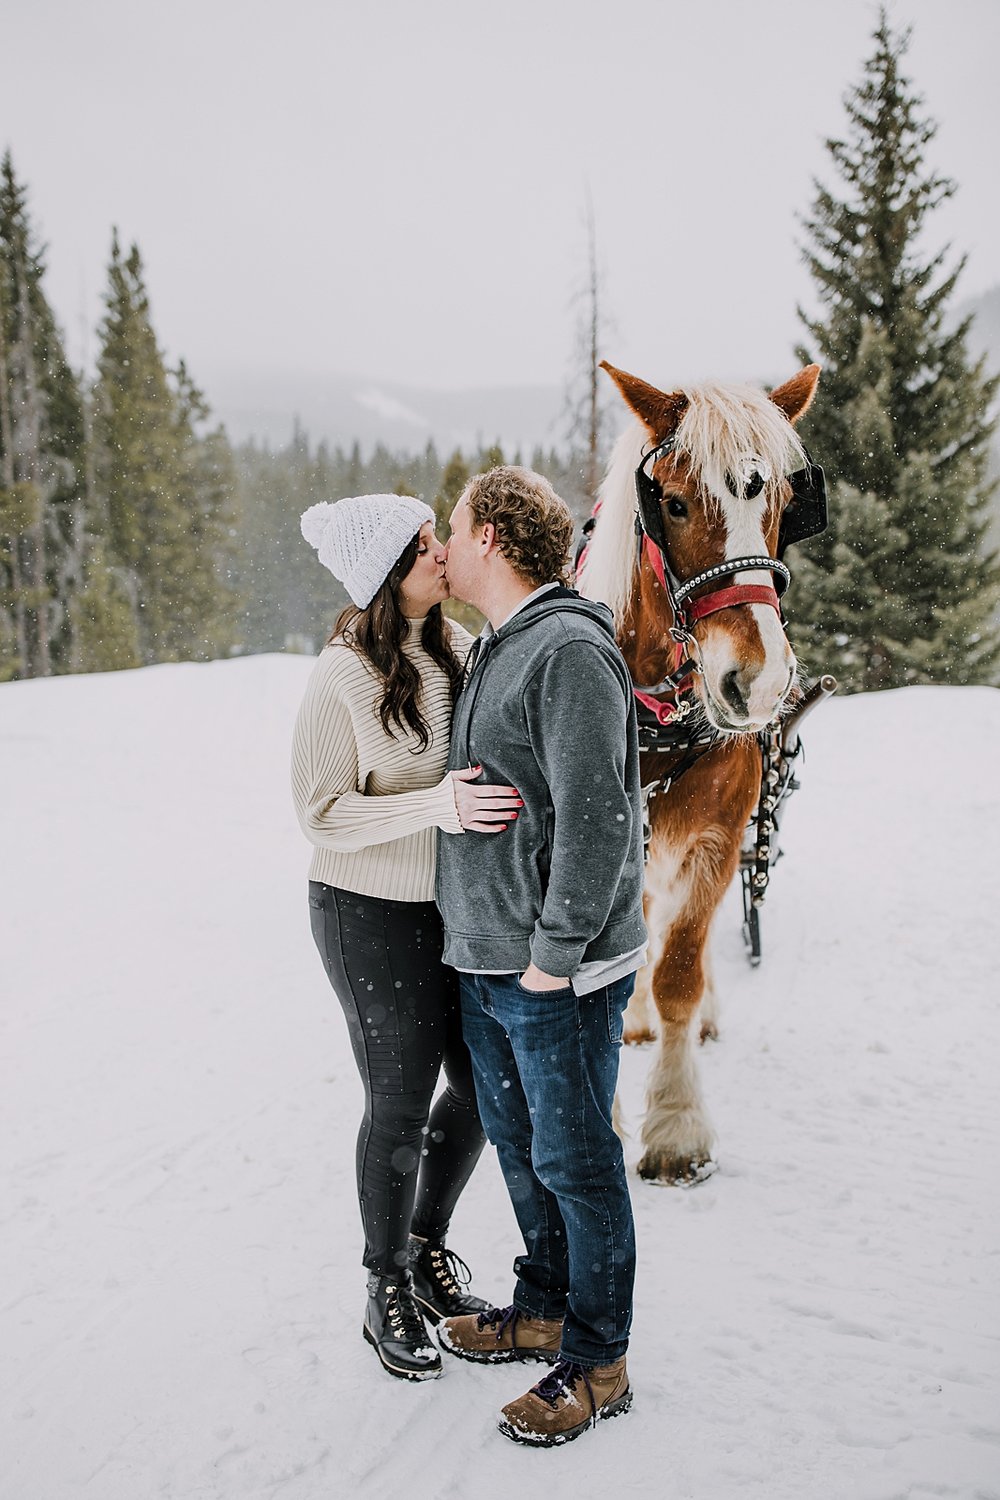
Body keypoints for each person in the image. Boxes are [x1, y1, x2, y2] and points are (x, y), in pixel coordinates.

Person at [434, 466, 647, 1446]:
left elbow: (600, 821)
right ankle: (548, 1305)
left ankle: (598, 1361)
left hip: (550, 972)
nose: (445, 541)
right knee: (523, 1156)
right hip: (490, 960)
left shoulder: (565, 648)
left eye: (454, 526)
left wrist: (552, 961)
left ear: (489, 540)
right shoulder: (497, 645)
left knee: (576, 1162)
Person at [291, 492, 521, 1383]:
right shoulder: (343, 673)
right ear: (389, 569)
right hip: (364, 911)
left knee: (479, 1086)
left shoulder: (458, 650)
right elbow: (318, 813)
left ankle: (425, 1244)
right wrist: (439, 805)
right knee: (400, 1096)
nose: (441, 552)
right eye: (422, 543)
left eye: (438, 537)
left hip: (448, 908)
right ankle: (383, 1285)